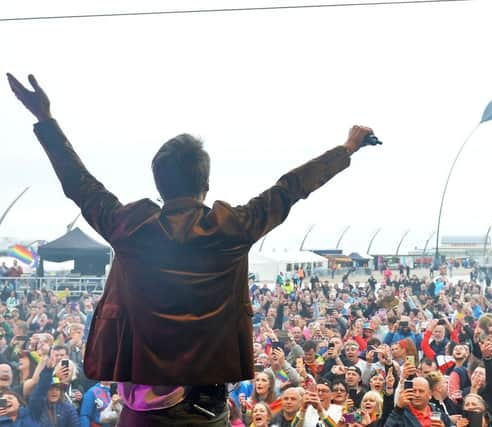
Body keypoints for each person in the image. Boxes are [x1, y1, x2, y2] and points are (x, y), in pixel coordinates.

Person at [7, 73, 378, 426]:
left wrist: (46, 119)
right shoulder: (233, 228)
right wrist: (347, 148)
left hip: (140, 411)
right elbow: (289, 188)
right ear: (206, 183)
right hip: (204, 411)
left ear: (159, 183)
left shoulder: (130, 228)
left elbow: (80, 185)